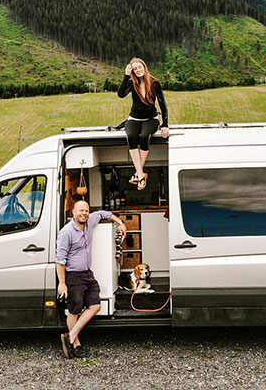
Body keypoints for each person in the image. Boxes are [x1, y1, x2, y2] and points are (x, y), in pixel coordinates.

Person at [56, 200, 128, 358]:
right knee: (74, 311)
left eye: (86, 211)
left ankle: (70, 335)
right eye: (80, 211)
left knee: (95, 306)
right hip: (73, 276)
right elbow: (60, 261)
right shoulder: (66, 232)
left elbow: (105, 214)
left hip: (87, 274)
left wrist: (120, 223)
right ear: (73, 213)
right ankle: (76, 344)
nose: (84, 213)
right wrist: (62, 283)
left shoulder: (91, 221)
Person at [117, 58, 169, 190]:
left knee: (145, 136)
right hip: (134, 118)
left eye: (139, 67)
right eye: (135, 69)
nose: (138, 70)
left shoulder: (154, 82)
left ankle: (138, 174)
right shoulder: (131, 83)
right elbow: (121, 94)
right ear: (132, 71)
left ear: (144, 67)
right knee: (131, 136)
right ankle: (140, 174)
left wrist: (165, 125)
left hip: (151, 118)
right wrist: (126, 75)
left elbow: (162, 104)